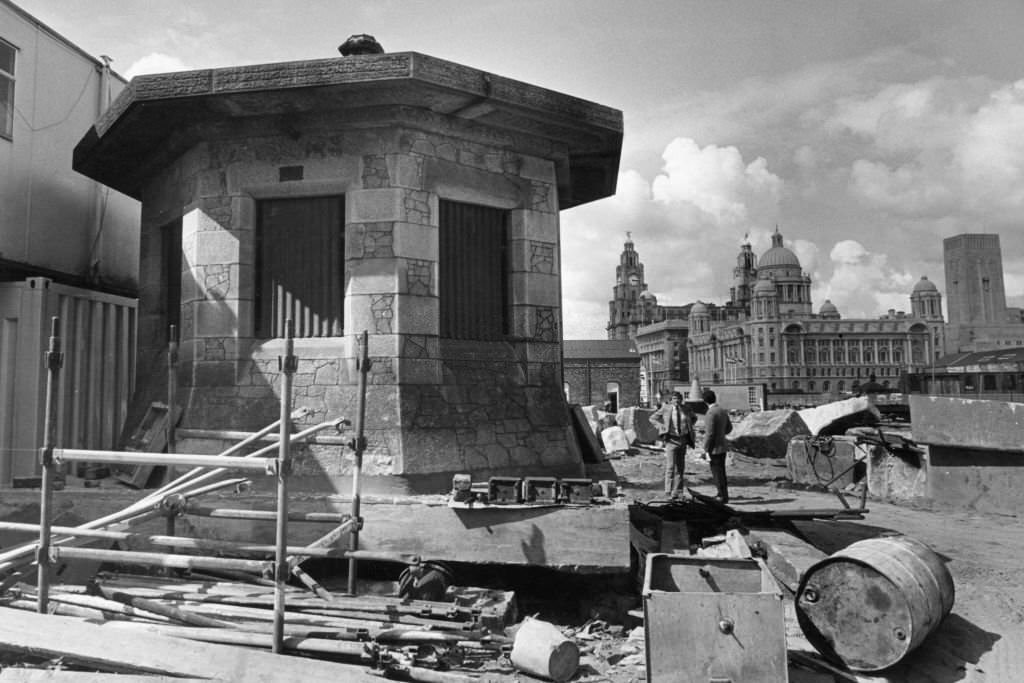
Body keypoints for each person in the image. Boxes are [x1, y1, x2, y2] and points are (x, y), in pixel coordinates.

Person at [648, 391, 695, 498]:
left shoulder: (686, 409)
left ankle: (678, 491)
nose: (676, 401)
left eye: (678, 398)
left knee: (680, 467)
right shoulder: (666, 408)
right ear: (671, 400)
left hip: (682, 440)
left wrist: (689, 428)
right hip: (671, 440)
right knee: (670, 466)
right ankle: (668, 491)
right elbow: (652, 418)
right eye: (674, 398)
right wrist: (661, 427)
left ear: (681, 399)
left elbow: (694, 418)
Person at [702, 388, 733, 503]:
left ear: (704, 401)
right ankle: (724, 494)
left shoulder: (710, 413)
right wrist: (721, 434)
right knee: (722, 471)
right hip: (723, 445)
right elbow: (729, 428)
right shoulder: (722, 410)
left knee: (716, 472)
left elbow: (709, 434)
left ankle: (721, 496)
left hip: (714, 448)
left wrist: (705, 449)